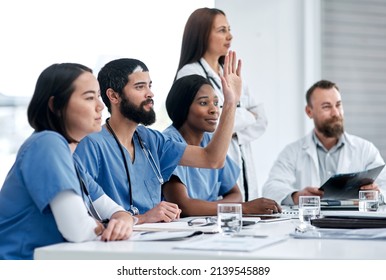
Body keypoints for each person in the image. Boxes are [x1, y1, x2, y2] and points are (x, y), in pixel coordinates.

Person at [75, 52, 241, 224]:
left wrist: (230, 102)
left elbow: (212, 159)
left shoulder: (151, 140)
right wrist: (143, 218)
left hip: (156, 240)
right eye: (140, 87)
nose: (150, 94)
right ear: (114, 96)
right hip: (115, 245)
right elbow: (79, 216)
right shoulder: (92, 145)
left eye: (149, 86)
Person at [0, 63, 135, 260]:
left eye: (98, 96)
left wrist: (123, 220)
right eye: (90, 97)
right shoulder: (47, 143)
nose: (101, 106)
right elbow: (77, 229)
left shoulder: (73, 161)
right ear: (55, 105)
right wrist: (106, 225)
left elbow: (116, 211)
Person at [175, 7, 268, 202]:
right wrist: (242, 116)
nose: (230, 36)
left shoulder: (229, 71)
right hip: (214, 164)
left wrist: (230, 123)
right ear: (202, 35)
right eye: (222, 30)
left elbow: (262, 119)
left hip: (241, 158)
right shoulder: (190, 73)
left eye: (229, 29)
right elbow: (210, 123)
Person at [162, 74, 281, 216]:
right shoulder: (168, 142)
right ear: (182, 106)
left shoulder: (212, 142)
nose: (214, 110)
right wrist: (242, 208)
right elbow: (184, 206)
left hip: (209, 225)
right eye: (203, 103)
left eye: (216, 103)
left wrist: (210, 207)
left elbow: (236, 194)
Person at [262, 79, 386, 205]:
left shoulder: (365, 149)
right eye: (326, 107)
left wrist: (378, 192)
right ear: (309, 112)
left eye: (338, 105)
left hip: (353, 223)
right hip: (309, 222)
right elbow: (271, 188)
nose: (335, 113)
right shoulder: (292, 152)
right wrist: (296, 196)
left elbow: (384, 184)